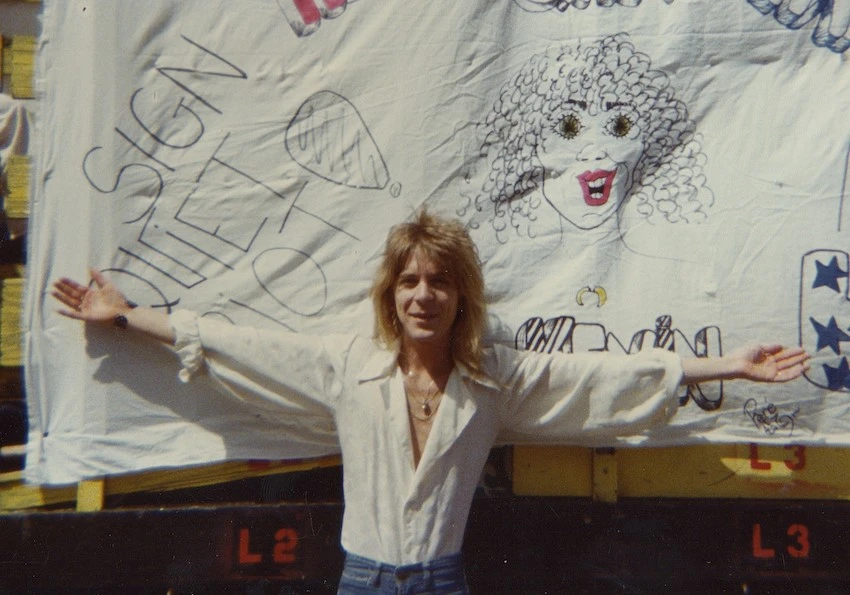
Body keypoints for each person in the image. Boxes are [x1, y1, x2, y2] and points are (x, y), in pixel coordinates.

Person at [52, 210, 808, 594]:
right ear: (391, 293)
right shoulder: (349, 366)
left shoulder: (495, 381)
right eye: (410, 281)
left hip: (444, 580)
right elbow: (236, 345)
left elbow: (602, 377)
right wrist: (125, 317)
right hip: (362, 579)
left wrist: (728, 366)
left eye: (440, 281)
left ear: (460, 296)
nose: (423, 295)